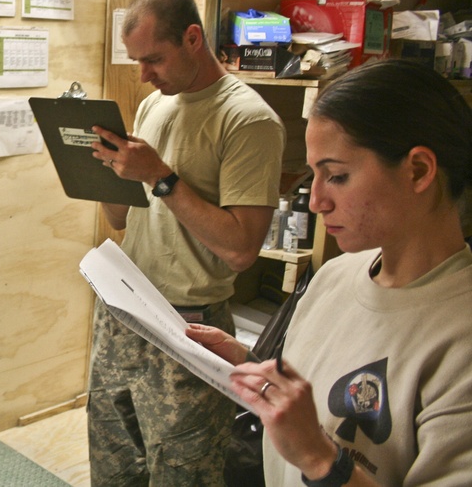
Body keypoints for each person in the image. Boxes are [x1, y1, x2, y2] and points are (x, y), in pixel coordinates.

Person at [188, 59, 472, 485]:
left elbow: (317, 442)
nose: (317, 201)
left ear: (418, 170)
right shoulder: (334, 276)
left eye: (337, 176)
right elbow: (324, 398)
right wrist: (251, 366)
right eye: (313, 176)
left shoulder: (459, 337)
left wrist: (321, 460)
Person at [87, 0, 286, 485]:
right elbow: (122, 219)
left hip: (189, 325)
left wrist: (160, 176)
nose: (143, 75)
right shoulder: (156, 104)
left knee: (183, 473)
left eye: (153, 59)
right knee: (114, 462)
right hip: (124, 311)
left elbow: (242, 248)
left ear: (193, 38)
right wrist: (101, 173)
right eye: (136, 61)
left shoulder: (248, 120)